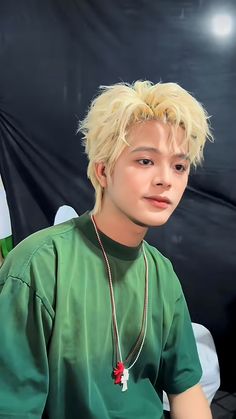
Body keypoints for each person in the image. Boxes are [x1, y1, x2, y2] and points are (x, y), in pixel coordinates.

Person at [0, 80, 213, 419]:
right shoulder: (38, 267)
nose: (165, 180)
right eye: (145, 161)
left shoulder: (162, 274)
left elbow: (186, 387)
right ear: (103, 170)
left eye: (179, 166)